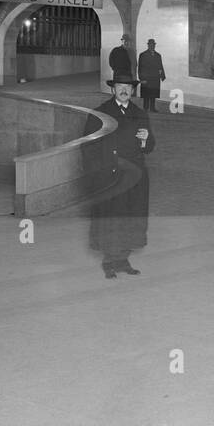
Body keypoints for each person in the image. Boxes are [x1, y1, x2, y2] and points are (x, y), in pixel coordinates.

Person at [89, 71, 156, 278]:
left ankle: (123, 258)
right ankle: (109, 261)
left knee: (130, 216)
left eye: (128, 87)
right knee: (112, 218)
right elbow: (89, 147)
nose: (124, 90)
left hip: (135, 176)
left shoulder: (139, 113)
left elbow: (149, 146)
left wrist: (146, 140)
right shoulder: (100, 114)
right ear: (113, 89)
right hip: (111, 176)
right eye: (120, 86)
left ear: (133, 90)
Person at [137, 37, 166, 113]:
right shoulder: (143, 55)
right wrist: (141, 78)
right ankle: (145, 108)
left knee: (153, 92)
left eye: (153, 44)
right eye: (150, 44)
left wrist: (162, 76)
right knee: (146, 93)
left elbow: (160, 66)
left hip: (155, 77)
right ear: (148, 45)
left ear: (155, 45)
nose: (152, 46)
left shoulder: (158, 55)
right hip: (146, 77)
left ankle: (152, 108)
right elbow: (140, 67)